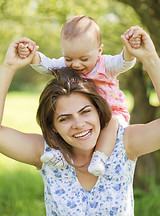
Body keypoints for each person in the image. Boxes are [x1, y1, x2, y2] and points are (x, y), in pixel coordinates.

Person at [0, 27, 160, 215]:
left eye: (85, 112)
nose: (78, 124)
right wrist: (9, 67)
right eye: (64, 118)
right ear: (53, 126)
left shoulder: (123, 144)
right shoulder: (46, 153)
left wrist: (150, 59)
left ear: (99, 111)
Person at [17, 16, 141, 176]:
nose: (75, 64)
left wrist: (130, 51)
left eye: (84, 59)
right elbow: (47, 66)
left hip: (111, 112)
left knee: (112, 123)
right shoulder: (65, 65)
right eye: (69, 58)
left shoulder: (105, 65)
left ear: (99, 51)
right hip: (84, 115)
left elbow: (123, 62)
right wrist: (32, 54)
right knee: (63, 120)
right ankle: (60, 153)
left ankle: (100, 157)